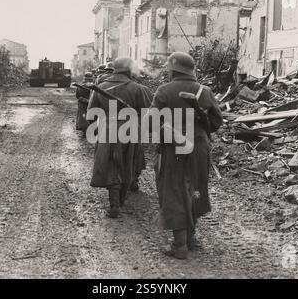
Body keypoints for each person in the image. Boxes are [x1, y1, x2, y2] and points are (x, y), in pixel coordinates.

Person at [149, 52, 223, 260]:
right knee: (196, 188)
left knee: (174, 190)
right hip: (199, 147)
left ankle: (179, 244)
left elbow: (151, 123)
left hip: (174, 148)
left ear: (172, 70)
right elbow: (216, 123)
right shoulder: (205, 91)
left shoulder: (164, 91)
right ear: (191, 71)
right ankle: (191, 238)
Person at [87, 57, 152, 218]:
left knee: (111, 164)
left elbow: (91, 114)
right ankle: (123, 197)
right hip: (131, 129)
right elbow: (150, 114)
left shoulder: (100, 87)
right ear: (130, 70)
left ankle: (115, 203)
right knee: (129, 162)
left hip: (107, 128)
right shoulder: (139, 89)